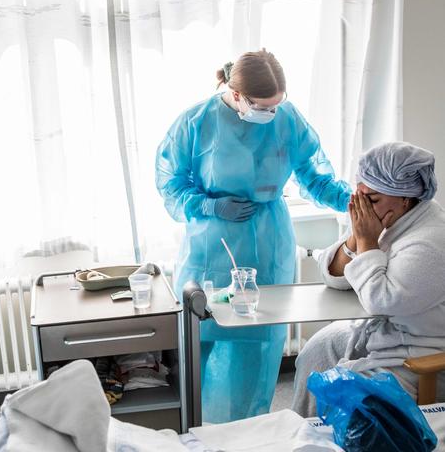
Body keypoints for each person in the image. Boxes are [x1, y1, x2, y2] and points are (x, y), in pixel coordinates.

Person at [155, 49, 351, 423]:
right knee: (201, 338)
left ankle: (249, 428)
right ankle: (191, 428)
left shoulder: (288, 119)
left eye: (276, 106)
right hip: (211, 245)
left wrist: (350, 201)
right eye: (262, 106)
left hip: (269, 244)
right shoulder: (196, 122)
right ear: (237, 94)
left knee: (258, 346)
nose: (269, 114)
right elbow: (170, 183)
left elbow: (313, 176)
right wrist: (210, 206)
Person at [292, 142, 445, 417]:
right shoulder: (391, 221)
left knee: (352, 401)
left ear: (405, 199)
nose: (362, 207)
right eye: (358, 196)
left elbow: (381, 301)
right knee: (317, 349)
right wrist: (356, 237)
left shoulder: (431, 241)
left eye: (371, 200)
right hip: (385, 336)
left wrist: (366, 241)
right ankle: (305, 434)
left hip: (419, 356)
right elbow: (335, 277)